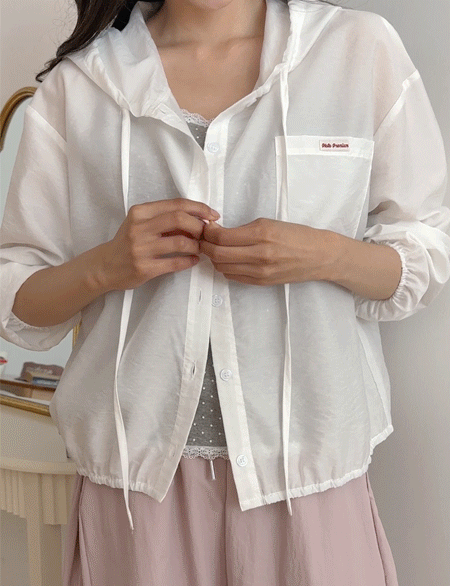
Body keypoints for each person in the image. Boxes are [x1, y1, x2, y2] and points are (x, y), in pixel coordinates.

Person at [1, 0, 449, 584]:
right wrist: (106, 266)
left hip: (307, 474)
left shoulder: (356, 50)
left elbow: (425, 253)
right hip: (136, 490)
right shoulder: (82, 84)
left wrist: (325, 254)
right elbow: (18, 298)